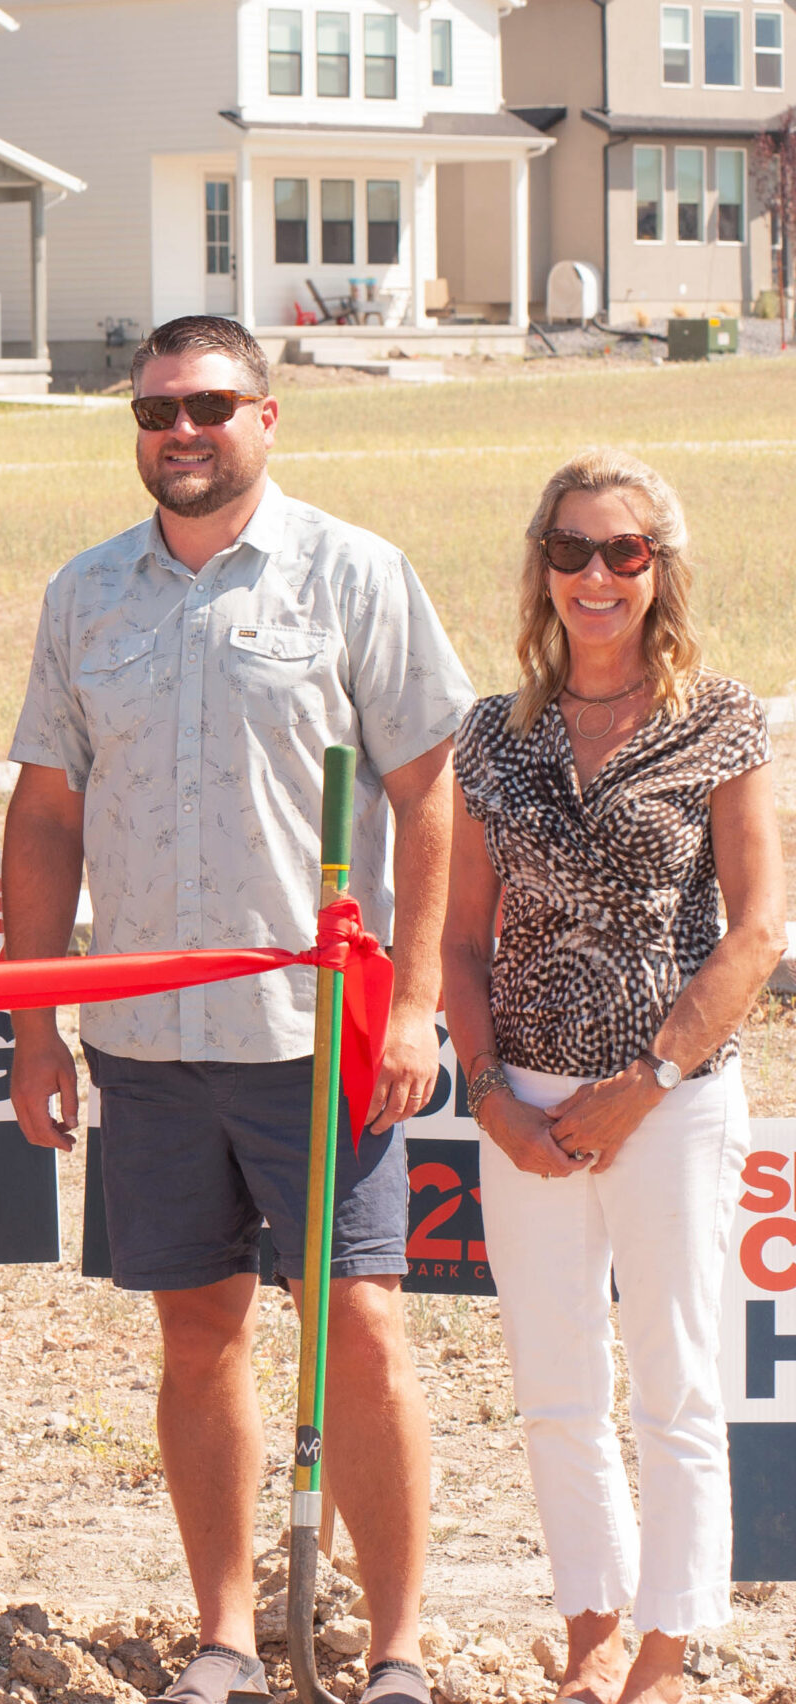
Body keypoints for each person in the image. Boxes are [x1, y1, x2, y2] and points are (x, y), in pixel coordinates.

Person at [2, 315, 468, 1704]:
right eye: (155, 412)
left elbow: (428, 797)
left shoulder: (355, 576)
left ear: (268, 417)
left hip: (318, 1039)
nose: (181, 431)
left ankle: (391, 1648)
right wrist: (36, 1027)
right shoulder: (88, 596)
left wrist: (418, 1000)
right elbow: (43, 822)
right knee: (196, 1332)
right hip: (149, 1047)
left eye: (209, 404)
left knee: (363, 1327)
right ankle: (222, 1637)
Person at [438, 451, 783, 1704]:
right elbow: (458, 941)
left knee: (676, 1382)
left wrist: (644, 1080)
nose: (595, 575)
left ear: (658, 570)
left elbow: (755, 932)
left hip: (673, 1101)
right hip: (519, 1102)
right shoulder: (492, 734)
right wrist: (490, 1099)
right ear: (542, 566)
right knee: (553, 1384)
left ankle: (663, 1655)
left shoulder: (722, 721)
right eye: (572, 549)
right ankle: (588, 1632)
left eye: (622, 553)